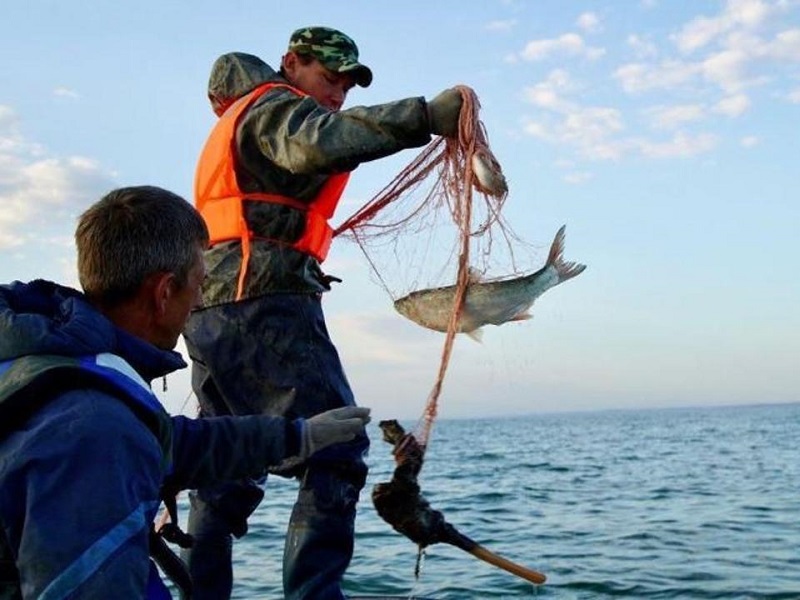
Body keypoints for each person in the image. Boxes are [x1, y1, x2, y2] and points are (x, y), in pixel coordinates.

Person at [183, 25, 464, 600]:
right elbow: (320, 141)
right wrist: (424, 116)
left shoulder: (243, 119)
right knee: (334, 447)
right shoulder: (273, 108)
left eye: (346, 83)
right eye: (328, 75)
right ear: (291, 63)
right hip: (261, 302)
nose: (337, 91)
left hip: (212, 307)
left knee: (225, 466)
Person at [0, 185, 371, 599]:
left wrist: (297, 436)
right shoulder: (94, 430)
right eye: (200, 283)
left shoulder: (56, 365)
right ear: (163, 293)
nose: (200, 298)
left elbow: (174, 443)